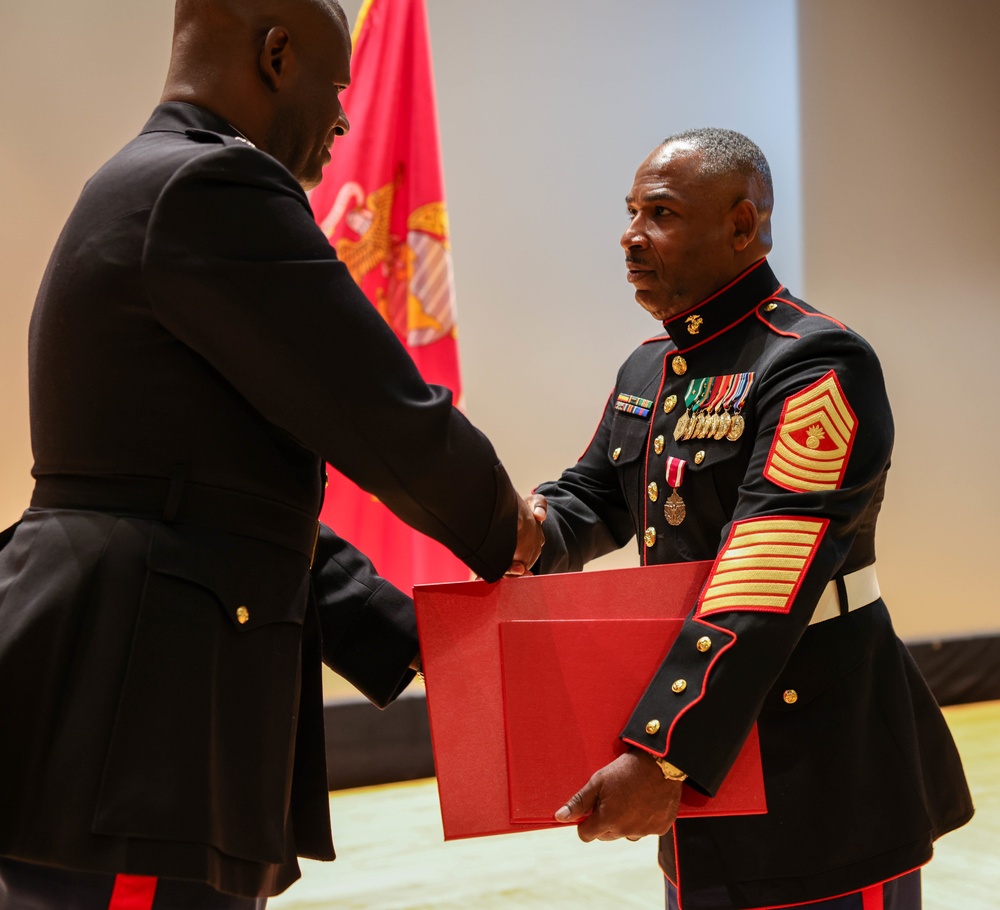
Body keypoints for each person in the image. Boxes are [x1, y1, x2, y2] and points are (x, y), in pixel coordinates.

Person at [0, 0, 543, 907]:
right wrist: (512, 531)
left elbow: (231, 491)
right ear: (275, 52)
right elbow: (381, 410)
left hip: (123, 681)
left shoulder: (153, 183)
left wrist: (407, 634)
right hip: (139, 709)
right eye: (336, 86)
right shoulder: (209, 189)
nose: (342, 117)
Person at [530, 128, 973, 910]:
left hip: (819, 759)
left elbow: (764, 572)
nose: (631, 236)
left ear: (743, 225)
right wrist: (509, 528)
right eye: (631, 212)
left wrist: (662, 754)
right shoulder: (651, 365)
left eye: (660, 214)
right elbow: (588, 500)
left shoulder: (815, 363)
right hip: (702, 733)